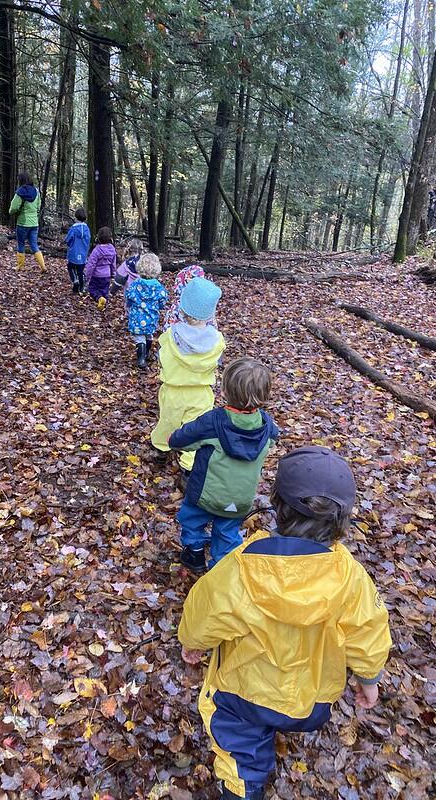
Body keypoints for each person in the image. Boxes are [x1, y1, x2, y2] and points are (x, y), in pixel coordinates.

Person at [178, 446, 392, 800]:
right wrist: (369, 679)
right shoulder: (350, 577)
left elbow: (205, 610)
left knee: (240, 748)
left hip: (243, 694)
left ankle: (243, 789)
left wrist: (192, 643)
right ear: (341, 520)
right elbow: (369, 632)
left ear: (277, 505)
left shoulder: (243, 567)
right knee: (277, 712)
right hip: (310, 701)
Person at [170, 358, 278, 575]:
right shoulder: (267, 427)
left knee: (192, 519)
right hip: (239, 499)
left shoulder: (213, 422)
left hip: (204, 494)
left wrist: (176, 438)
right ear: (265, 395)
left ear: (225, 389)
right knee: (228, 533)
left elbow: (180, 440)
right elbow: (274, 442)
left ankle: (195, 552)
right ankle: (221, 572)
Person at [150, 277, 225, 471]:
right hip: (201, 395)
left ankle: (161, 449)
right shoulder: (217, 340)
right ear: (210, 313)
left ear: (181, 308)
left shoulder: (171, 336)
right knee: (197, 430)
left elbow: (162, 358)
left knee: (168, 421)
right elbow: (218, 362)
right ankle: (189, 467)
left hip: (173, 392)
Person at [125, 253, 168, 369]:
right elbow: (163, 300)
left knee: (140, 337)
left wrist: (129, 306)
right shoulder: (158, 286)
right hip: (151, 316)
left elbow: (129, 296)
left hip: (137, 316)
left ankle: (141, 358)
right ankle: (146, 354)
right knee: (149, 335)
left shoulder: (135, 284)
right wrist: (158, 306)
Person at [9, 173, 45, 272]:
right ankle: (43, 266)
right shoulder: (36, 191)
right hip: (34, 223)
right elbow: (38, 207)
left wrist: (13, 212)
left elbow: (14, 207)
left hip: (22, 223)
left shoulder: (20, 192)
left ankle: (20, 266)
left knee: (21, 244)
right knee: (34, 245)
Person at [163, 265, 205, 330]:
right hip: (199, 338)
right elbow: (211, 328)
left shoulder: (177, 306)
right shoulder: (205, 307)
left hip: (179, 338)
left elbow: (168, 329)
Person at [85, 226, 116, 311]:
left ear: (98, 238)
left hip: (96, 275)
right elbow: (113, 263)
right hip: (107, 275)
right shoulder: (112, 249)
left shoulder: (97, 250)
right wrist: (113, 274)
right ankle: (104, 306)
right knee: (104, 290)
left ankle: (99, 299)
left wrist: (87, 275)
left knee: (92, 289)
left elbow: (91, 264)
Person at [65, 208, 91, 293]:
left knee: (70, 267)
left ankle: (75, 280)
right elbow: (88, 240)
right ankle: (81, 287)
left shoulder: (73, 228)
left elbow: (68, 239)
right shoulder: (87, 229)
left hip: (73, 252)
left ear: (76, 217)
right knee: (80, 270)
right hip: (83, 254)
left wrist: (69, 244)